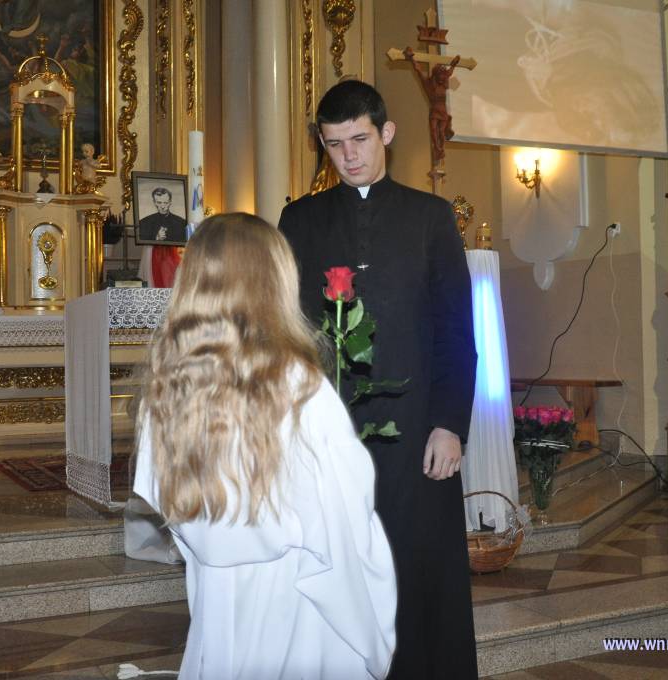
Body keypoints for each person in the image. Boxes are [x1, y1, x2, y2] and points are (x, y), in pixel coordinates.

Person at [133, 212, 397, 679]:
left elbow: (165, 497)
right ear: (273, 282)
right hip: (294, 596)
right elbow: (344, 508)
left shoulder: (167, 388)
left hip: (217, 594)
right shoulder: (299, 384)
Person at [279, 80, 478, 679]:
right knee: (334, 568)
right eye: (334, 144)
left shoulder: (430, 217)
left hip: (417, 428)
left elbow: (456, 330)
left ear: (386, 132)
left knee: (415, 564)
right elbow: (287, 330)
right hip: (328, 428)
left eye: (360, 139)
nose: (349, 156)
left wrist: (449, 424)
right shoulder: (299, 220)